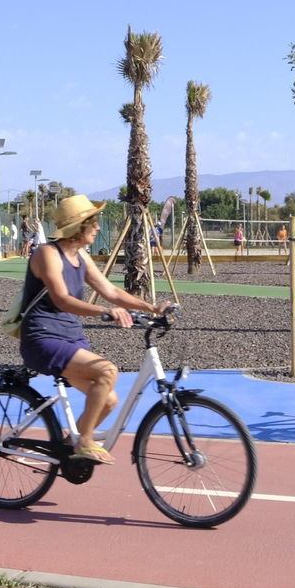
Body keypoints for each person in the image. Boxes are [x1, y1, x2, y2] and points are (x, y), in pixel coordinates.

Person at [16, 195, 172, 464]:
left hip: (70, 337)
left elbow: (110, 290)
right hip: (42, 338)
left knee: (108, 399)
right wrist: (105, 312)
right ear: (80, 227)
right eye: (94, 223)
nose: (98, 228)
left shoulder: (81, 257)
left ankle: (68, 447)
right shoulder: (47, 255)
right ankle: (84, 441)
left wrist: (151, 308)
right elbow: (61, 299)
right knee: (107, 371)